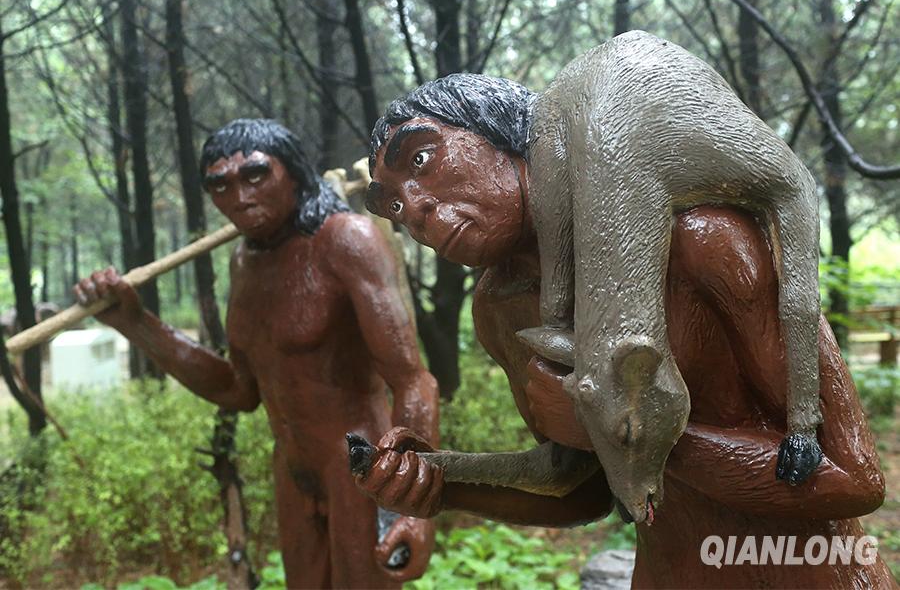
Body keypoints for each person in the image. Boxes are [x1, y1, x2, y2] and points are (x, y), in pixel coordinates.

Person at [357, 76, 895, 587]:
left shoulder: (701, 240)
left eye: (422, 159)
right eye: (395, 206)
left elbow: (851, 478)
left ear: (508, 135)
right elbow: (579, 488)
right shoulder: (501, 308)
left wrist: (625, 430)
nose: (417, 210)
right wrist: (440, 484)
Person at [75, 118, 439, 588]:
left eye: (254, 175)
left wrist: (412, 505)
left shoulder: (345, 240)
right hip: (292, 468)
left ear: (294, 174)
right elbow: (238, 389)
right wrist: (136, 323)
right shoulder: (243, 262)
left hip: (362, 463)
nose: (238, 196)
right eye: (219, 185)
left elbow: (413, 381)